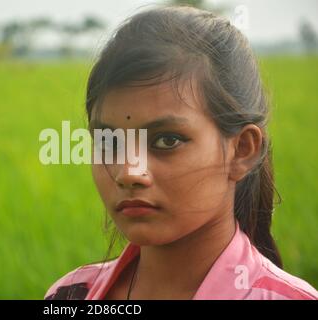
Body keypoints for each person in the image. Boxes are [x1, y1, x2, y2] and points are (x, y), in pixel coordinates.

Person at [44, 5, 318, 300]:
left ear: (241, 151)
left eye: (167, 141)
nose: (127, 173)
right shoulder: (69, 296)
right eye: (109, 143)